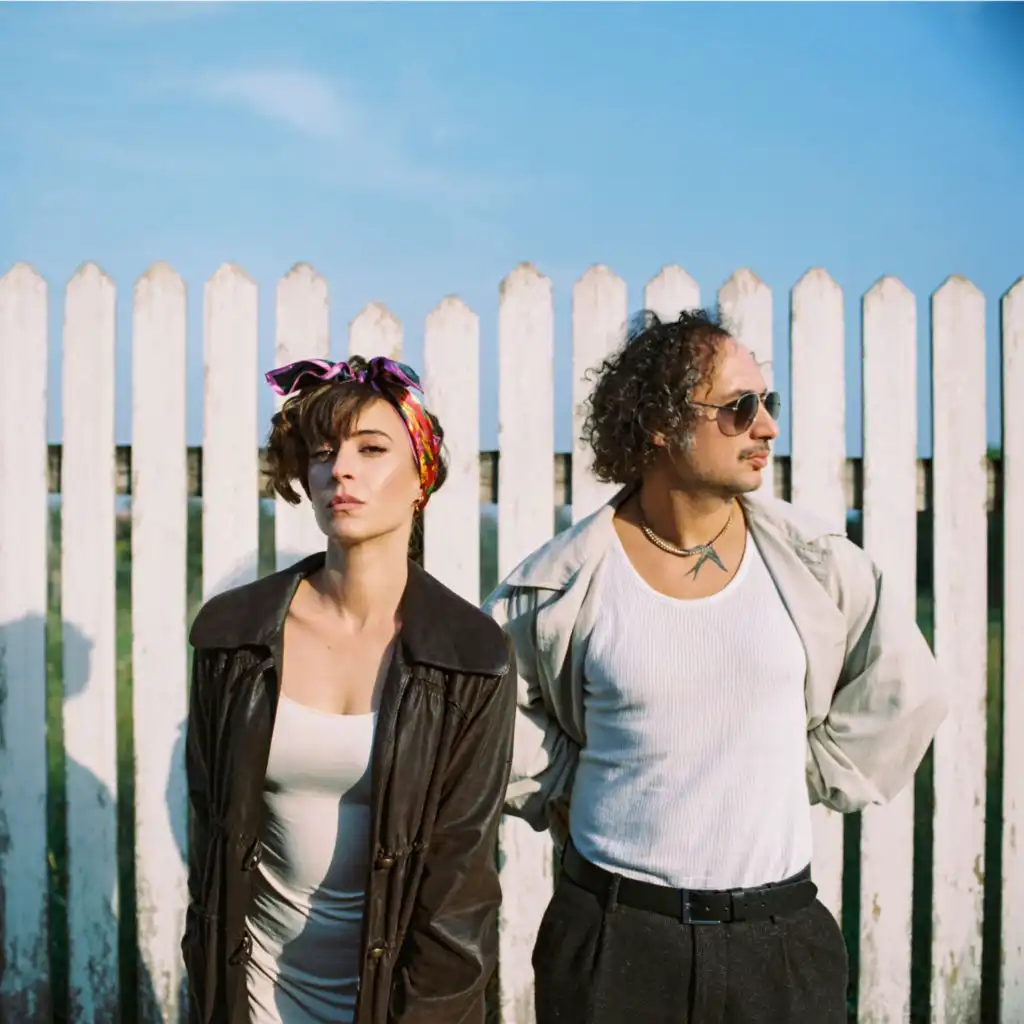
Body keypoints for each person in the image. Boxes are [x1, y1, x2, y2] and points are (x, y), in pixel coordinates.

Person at [484, 309, 949, 1024]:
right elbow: (491, 703)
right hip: (612, 939)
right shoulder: (560, 582)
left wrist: (797, 770)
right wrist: (562, 783)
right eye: (739, 408)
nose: (767, 427)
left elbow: (903, 688)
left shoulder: (815, 564)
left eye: (768, 402)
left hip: (778, 941)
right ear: (659, 423)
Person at [183, 355, 516, 1024]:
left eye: (371, 449)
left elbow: (460, 888)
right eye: (323, 452)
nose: (341, 469)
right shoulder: (233, 636)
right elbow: (211, 843)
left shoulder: (471, 655)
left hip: (396, 1002)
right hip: (252, 996)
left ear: (421, 477)